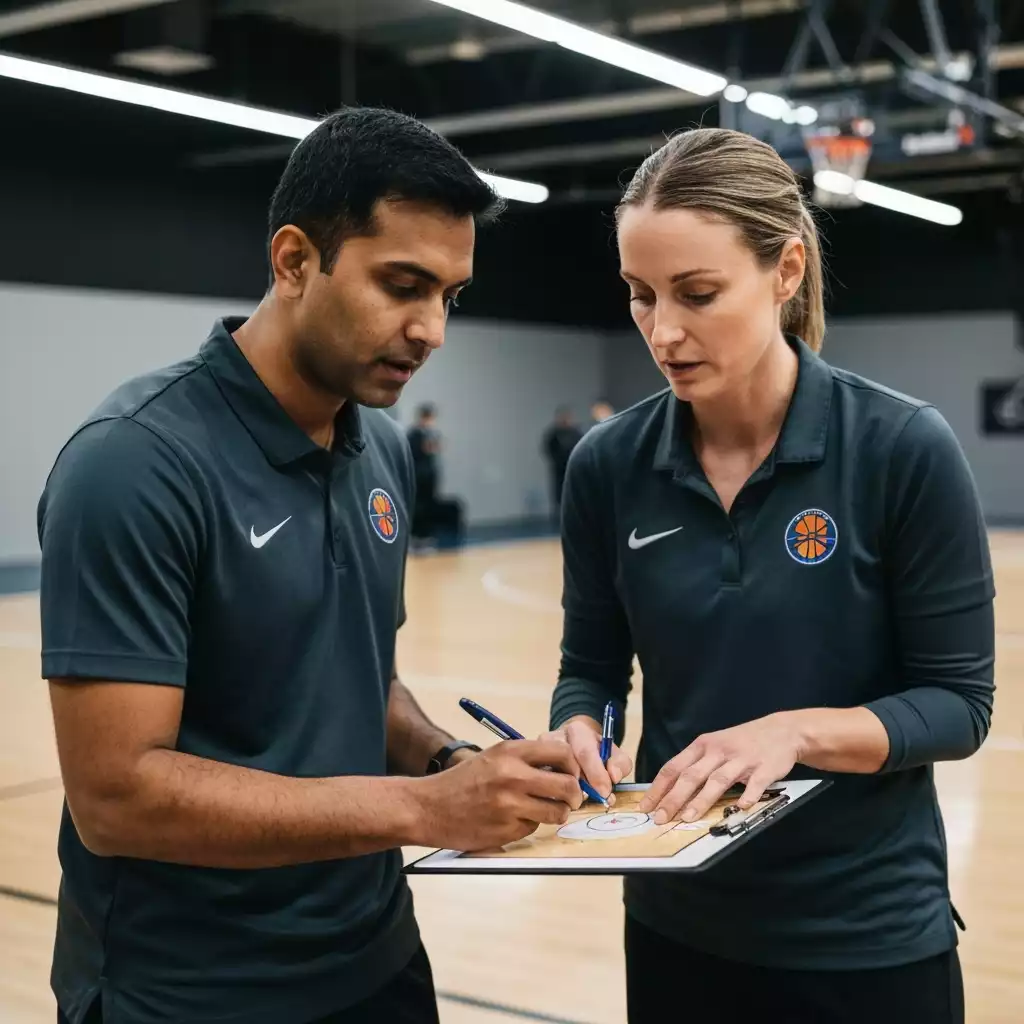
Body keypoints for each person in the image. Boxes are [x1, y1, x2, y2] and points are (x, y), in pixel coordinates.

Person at [37, 107, 586, 1024]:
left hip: (376, 959)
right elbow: (118, 796)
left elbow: (361, 682)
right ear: (294, 261)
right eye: (402, 285)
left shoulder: (381, 452)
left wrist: (450, 760)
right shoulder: (133, 463)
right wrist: (424, 810)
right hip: (188, 993)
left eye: (449, 295)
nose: (431, 330)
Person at [546, 127, 994, 1024]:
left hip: (865, 937)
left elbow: (957, 706)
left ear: (786, 272)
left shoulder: (903, 448)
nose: (663, 330)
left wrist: (792, 733)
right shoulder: (606, 465)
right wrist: (581, 730)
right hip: (677, 929)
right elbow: (592, 670)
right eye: (640, 296)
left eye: (698, 293)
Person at [541, 405, 583, 511]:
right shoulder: (553, 434)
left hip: (574, 470)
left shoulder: (576, 433)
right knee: (560, 496)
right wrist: (559, 461)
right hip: (559, 470)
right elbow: (548, 450)